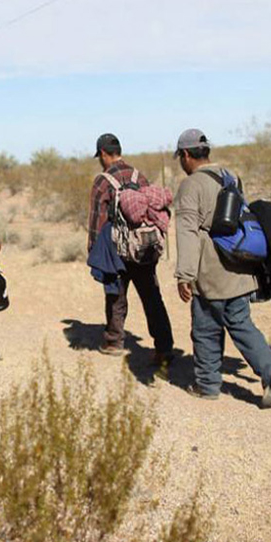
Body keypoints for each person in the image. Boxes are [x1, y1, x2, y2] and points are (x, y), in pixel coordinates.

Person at [173, 128, 271, 408]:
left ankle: (208, 385)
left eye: (181, 157)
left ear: (186, 155)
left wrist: (184, 275)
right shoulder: (229, 176)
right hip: (239, 267)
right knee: (242, 325)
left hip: (210, 272)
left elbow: (186, 232)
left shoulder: (191, 185)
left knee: (205, 328)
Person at [87, 133, 175, 367]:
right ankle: (164, 347)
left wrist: (94, 251)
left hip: (117, 246)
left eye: (100, 156)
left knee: (115, 292)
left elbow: (97, 220)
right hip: (144, 246)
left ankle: (114, 341)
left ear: (104, 154)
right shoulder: (139, 175)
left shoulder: (102, 181)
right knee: (151, 296)